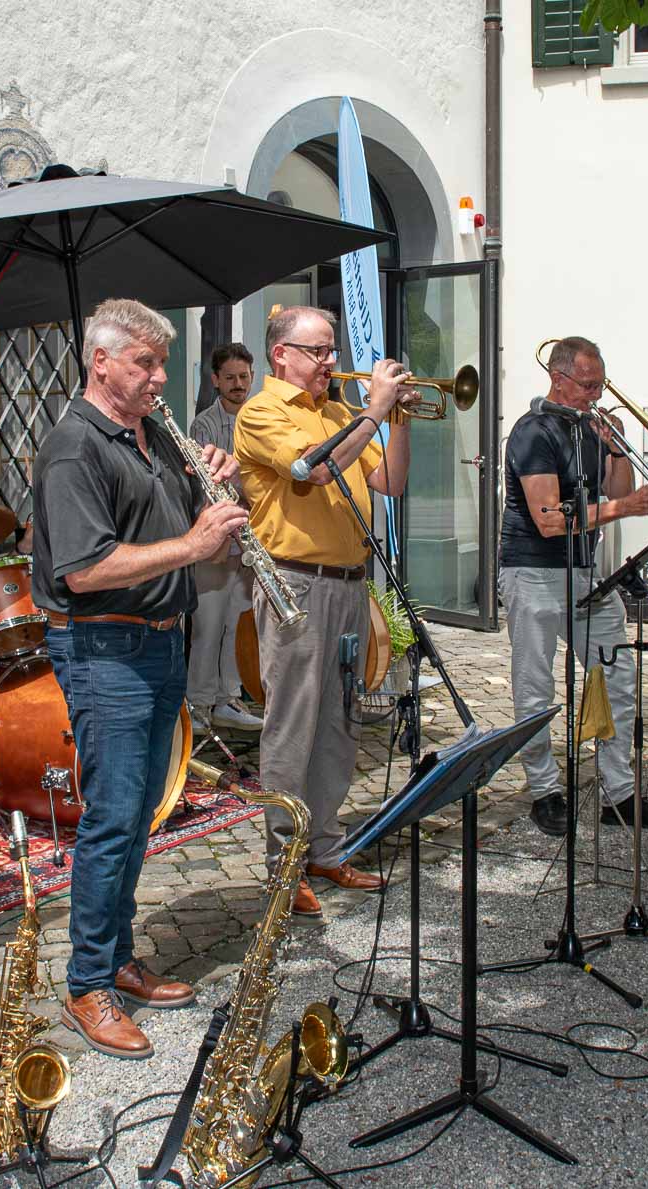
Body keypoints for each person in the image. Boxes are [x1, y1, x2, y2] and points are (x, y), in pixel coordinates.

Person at [28, 298, 248, 1060]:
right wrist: (192, 542)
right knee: (112, 816)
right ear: (101, 363)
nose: (160, 377)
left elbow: (196, 540)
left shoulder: (151, 437)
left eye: (161, 363)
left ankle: (117, 955)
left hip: (158, 643)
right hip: (103, 649)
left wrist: (214, 486)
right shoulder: (73, 448)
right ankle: (86, 981)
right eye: (145, 364)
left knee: (143, 812)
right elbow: (86, 568)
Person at [233, 306, 409, 919]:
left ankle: (325, 848)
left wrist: (399, 420)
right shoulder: (262, 411)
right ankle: (284, 867)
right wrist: (375, 411)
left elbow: (388, 482)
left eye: (332, 349)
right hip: (296, 586)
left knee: (341, 720)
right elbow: (317, 466)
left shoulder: (338, 410)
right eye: (318, 350)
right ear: (282, 353)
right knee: (294, 724)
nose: (331, 361)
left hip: (349, 581)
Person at [500, 335, 648, 837]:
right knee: (535, 687)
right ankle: (545, 791)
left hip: (585, 574)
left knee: (617, 674)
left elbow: (617, 490)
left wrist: (618, 448)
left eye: (600, 384)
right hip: (532, 570)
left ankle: (619, 795)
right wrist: (625, 508)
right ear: (559, 379)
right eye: (587, 385)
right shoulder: (532, 431)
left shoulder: (587, 429)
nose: (596, 395)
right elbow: (549, 519)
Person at [185, 343, 263, 734]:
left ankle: (227, 699)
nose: (238, 385)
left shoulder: (261, 417)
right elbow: (208, 485)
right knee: (208, 625)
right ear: (215, 380)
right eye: (230, 377)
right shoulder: (203, 424)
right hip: (216, 538)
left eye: (244, 377)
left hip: (250, 538)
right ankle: (198, 705)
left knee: (238, 622)